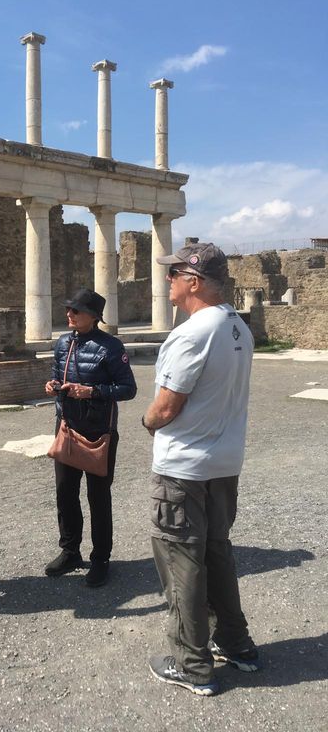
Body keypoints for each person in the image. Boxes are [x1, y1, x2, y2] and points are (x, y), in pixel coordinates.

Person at [142, 242, 260, 697]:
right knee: (217, 553)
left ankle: (192, 663)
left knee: (182, 562)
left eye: (173, 274)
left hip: (184, 469)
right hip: (224, 463)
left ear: (193, 282)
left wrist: (147, 421)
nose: (167, 281)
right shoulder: (238, 327)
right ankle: (237, 643)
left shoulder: (192, 332)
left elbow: (168, 405)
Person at [44, 288, 137, 587]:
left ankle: (101, 558)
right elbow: (57, 373)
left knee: (98, 498)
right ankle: (70, 551)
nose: (69, 314)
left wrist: (93, 391)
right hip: (68, 428)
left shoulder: (110, 347)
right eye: (68, 309)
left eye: (76, 310)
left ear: (94, 317)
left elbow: (128, 389)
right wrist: (53, 385)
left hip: (99, 432)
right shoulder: (62, 343)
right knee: (65, 494)